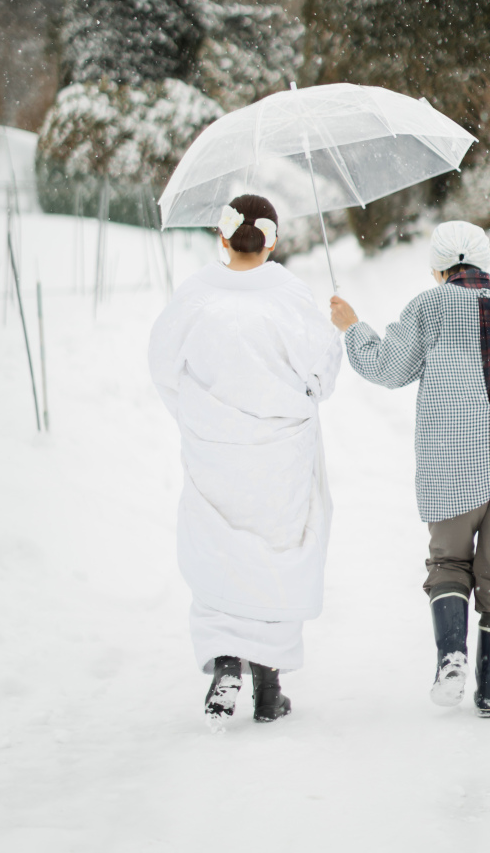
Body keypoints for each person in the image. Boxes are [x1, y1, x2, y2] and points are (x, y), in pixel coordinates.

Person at [330, 221, 490, 717]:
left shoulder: (430, 306)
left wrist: (352, 327)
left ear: (437, 267)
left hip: (455, 452)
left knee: (449, 561)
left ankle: (451, 657)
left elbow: (387, 367)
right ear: (484, 262)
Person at [149, 194, 342, 728]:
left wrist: (198, 417)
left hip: (214, 447)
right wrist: (332, 336)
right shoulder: (291, 298)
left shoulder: (195, 298)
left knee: (218, 548)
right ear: (273, 240)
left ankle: (227, 663)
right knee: (277, 553)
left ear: (222, 235)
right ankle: (268, 685)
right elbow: (321, 379)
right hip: (280, 454)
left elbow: (163, 366)